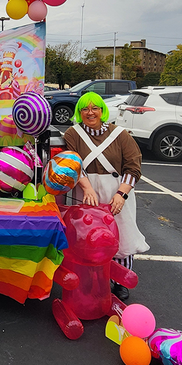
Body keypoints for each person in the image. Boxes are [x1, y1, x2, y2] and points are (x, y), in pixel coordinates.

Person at [63, 92, 149, 301]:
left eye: (95, 108)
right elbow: (72, 164)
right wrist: (87, 189)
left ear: (102, 110)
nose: (90, 112)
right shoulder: (73, 134)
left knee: (122, 234)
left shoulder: (120, 134)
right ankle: (91, 278)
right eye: (85, 109)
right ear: (79, 112)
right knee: (86, 236)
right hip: (86, 191)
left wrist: (121, 194)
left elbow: (133, 167)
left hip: (115, 191)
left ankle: (119, 281)